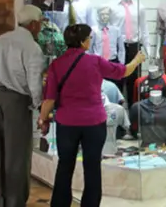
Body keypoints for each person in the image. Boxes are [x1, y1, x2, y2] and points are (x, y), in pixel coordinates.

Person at [38, 24, 146, 207]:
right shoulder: (95, 61)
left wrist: (43, 118)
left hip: (67, 123)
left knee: (65, 166)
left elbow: (49, 99)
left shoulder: (57, 64)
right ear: (82, 42)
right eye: (89, 38)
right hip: (94, 123)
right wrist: (137, 60)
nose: (91, 41)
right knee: (92, 167)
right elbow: (123, 71)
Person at [0, 5, 46, 207]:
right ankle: (15, 202)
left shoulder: (1, 40)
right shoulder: (32, 47)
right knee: (17, 156)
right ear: (33, 24)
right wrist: (39, 107)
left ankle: (1, 201)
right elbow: (35, 84)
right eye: (40, 23)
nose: (41, 27)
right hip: (17, 102)